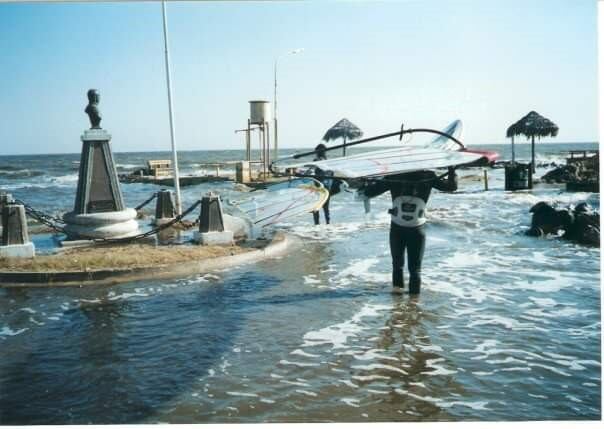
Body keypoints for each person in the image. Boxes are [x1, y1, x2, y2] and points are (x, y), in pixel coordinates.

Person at [360, 167, 457, 294]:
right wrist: (452, 170)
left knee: (397, 266)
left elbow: (369, 192)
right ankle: (414, 304)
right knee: (415, 270)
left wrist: (366, 182)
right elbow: (451, 187)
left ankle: (397, 302)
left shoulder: (394, 175)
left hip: (397, 227)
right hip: (417, 228)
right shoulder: (428, 176)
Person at [311, 143, 340, 225]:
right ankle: (324, 224)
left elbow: (330, 173)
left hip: (322, 186)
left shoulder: (320, 160)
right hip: (323, 186)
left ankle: (320, 224)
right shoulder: (323, 161)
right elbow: (330, 173)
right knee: (322, 206)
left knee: (319, 207)